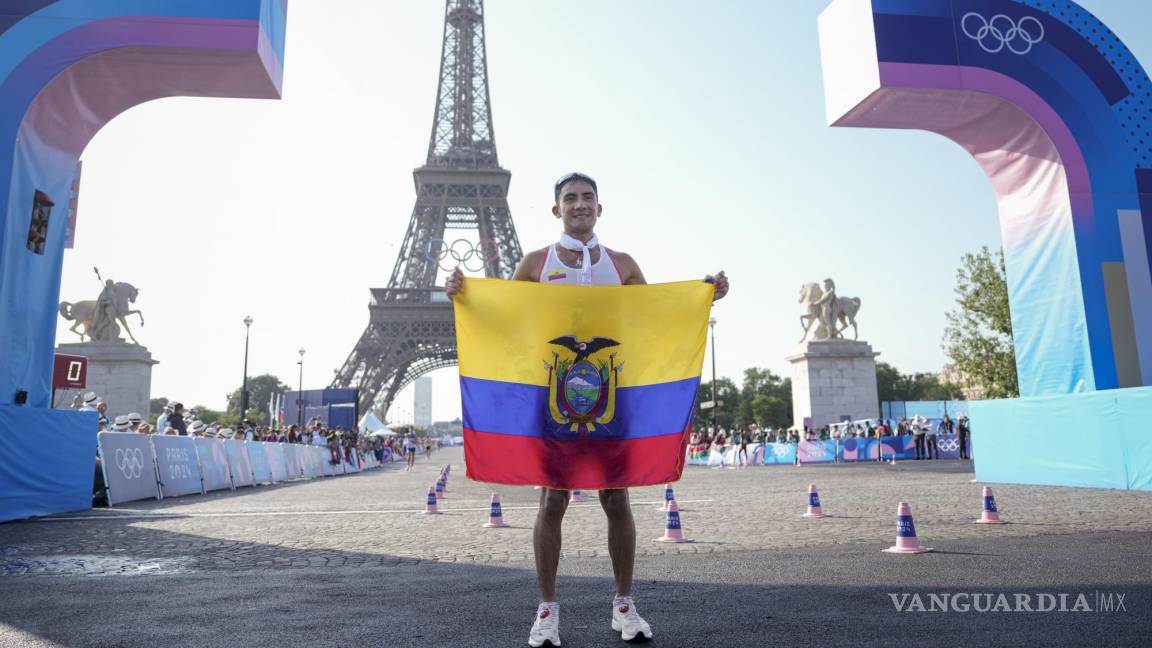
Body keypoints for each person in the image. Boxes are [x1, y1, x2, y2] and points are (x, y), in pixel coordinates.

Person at [446, 171, 729, 647]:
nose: (580, 204)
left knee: (616, 498)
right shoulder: (537, 262)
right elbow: (506, 317)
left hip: (610, 397)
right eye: (570, 198)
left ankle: (623, 605)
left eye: (588, 198)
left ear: (600, 208)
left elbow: (655, 317)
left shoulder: (622, 264)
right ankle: (547, 611)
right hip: (554, 399)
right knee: (551, 500)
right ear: (556, 210)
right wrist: (464, 291)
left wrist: (702, 295)